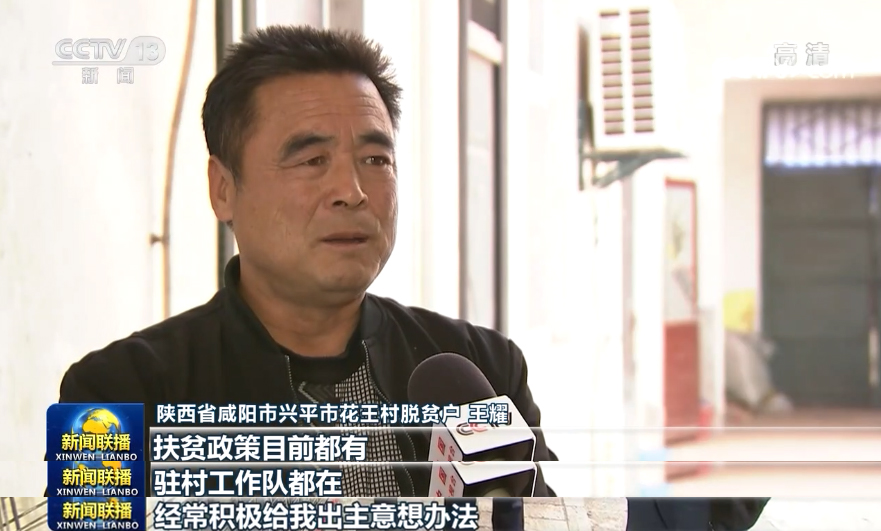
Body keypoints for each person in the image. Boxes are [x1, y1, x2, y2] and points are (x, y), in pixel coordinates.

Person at [54, 24, 554, 507]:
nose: (351, 192)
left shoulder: (482, 369)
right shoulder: (116, 395)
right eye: (312, 160)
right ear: (223, 189)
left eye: (375, 160)